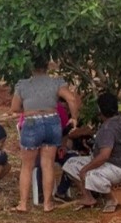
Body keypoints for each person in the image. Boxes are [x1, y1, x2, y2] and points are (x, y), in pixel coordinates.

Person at [10, 59, 81, 213]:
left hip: (31, 123)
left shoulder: (22, 84)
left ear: (31, 66)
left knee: (27, 166)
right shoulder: (56, 82)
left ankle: (23, 204)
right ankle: (48, 204)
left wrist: (29, 108)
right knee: (47, 164)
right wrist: (74, 117)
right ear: (47, 66)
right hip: (52, 122)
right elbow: (71, 98)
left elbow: (14, 108)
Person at [62, 92, 121, 213]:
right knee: (69, 164)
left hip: (120, 166)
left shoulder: (107, 128)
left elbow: (104, 156)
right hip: (114, 162)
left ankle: (111, 199)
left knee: (90, 175)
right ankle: (88, 197)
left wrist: (85, 169)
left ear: (100, 110)